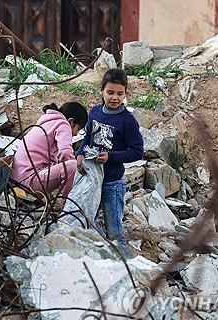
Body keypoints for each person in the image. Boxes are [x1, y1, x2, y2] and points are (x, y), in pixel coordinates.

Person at [76, 68, 144, 246]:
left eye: (120, 93)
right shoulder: (95, 112)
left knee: (114, 228)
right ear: (102, 91)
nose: (115, 97)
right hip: (93, 179)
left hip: (113, 183)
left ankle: (123, 261)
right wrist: (79, 155)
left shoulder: (127, 121)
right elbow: (87, 136)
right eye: (110, 92)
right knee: (90, 220)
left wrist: (111, 157)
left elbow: (137, 151)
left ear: (125, 94)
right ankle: (103, 257)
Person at [11, 102, 88, 198]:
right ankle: (67, 205)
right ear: (71, 121)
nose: (76, 134)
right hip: (28, 181)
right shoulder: (64, 124)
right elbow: (65, 153)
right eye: (78, 128)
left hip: (15, 179)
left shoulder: (48, 121)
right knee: (72, 166)